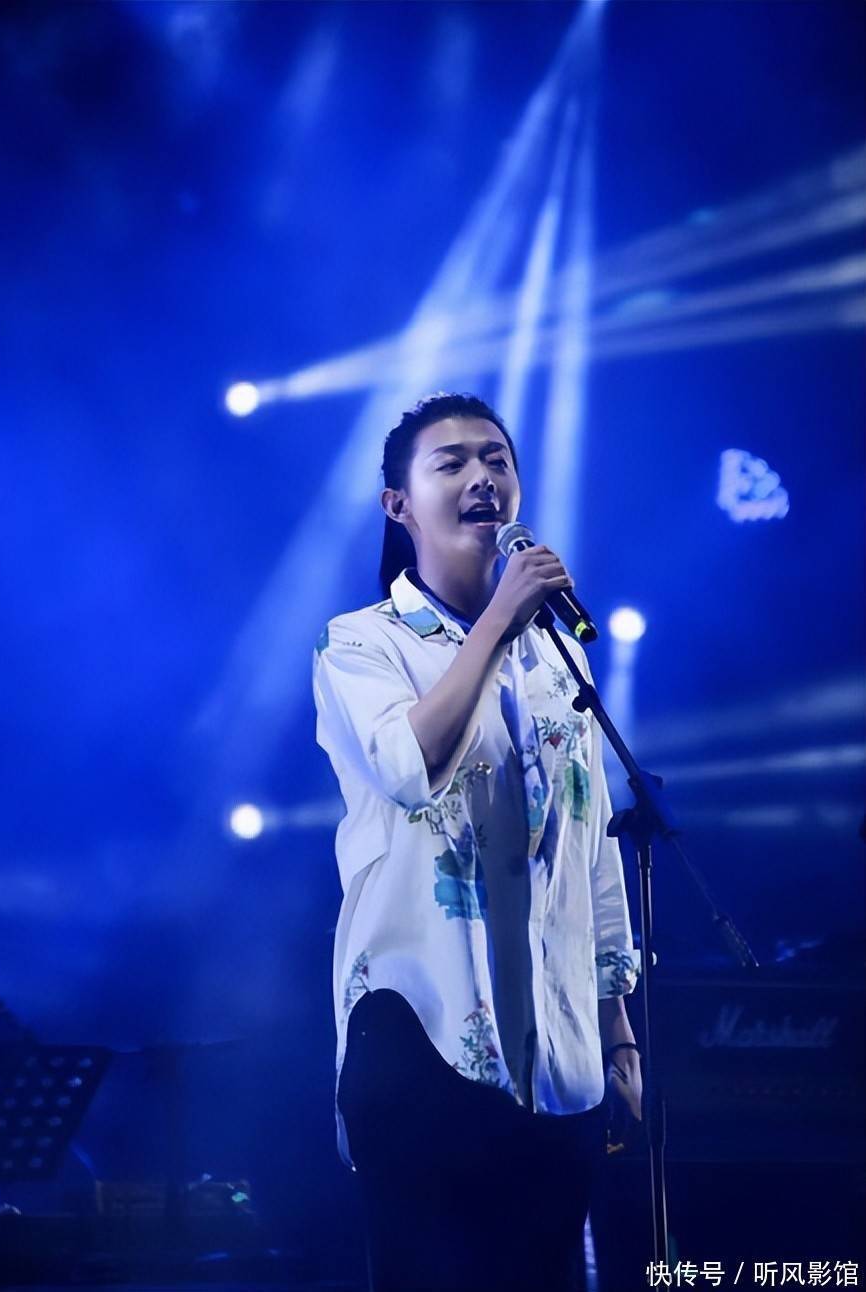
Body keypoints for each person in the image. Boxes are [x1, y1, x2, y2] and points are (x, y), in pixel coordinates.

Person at [312, 392, 642, 1292]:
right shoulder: (359, 645)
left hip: (560, 1053)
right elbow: (409, 766)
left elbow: (592, 849)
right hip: (420, 1035)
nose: (482, 476)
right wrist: (500, 620)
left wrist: (617, 1033)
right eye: (451, 462)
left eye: (497, 459)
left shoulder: (556, 663)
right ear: (399, 505)